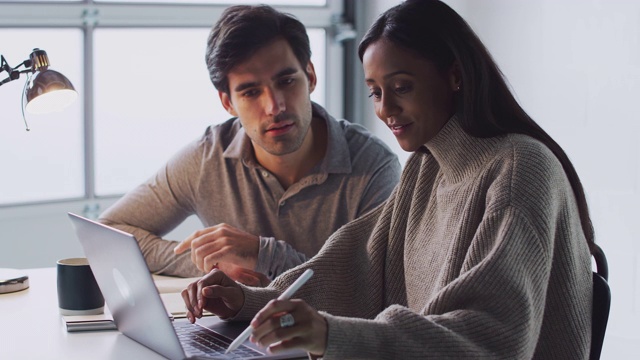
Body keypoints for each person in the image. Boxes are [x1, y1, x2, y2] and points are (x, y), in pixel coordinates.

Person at [181, 0, 596, 358]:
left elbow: (490, 340)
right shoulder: (428, 164)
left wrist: (329, 334)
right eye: (375, 92)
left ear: (454, 75)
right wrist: (248, 300)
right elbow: (352, 267)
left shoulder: (519, 169)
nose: (386, 110)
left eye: (401, 87)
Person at [98, 4, 401, 285]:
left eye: (286, 81)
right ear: (228, 102)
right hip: (237, 333)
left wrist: (261, 254)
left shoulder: (373, 166)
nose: (274, 106)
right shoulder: (207, 158)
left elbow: (371, 286)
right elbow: (110, 231)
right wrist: (213, 262)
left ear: (310, 76)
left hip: (329, 340)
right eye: (251, 92)